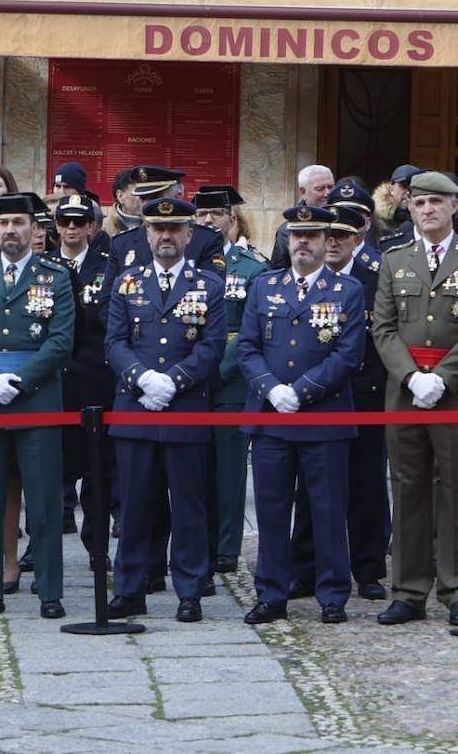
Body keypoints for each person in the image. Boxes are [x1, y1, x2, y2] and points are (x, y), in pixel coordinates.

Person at [238, 205, 365, 626]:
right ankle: (271, 593)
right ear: (287, 240)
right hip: (273, 415)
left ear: (326, 240)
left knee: (327, 509)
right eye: (297, 235)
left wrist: (302, 390)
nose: (304, 243)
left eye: (312, 235)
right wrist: (272, 389)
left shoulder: (347, 290)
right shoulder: (264, 285)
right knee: (272, 511)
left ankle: (332, 594)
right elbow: (247, 347)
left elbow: (349, 354)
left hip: (324, 417)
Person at [0, 193, 74, 620]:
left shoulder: (55, 277)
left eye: (19, 223)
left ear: (35, 230)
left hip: (37, 399)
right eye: (3, 223)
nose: (10, 231)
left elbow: (60, 341)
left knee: (43, 500)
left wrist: (20, 381)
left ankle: (50, 591)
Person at [104, 197, 226, 623]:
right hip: (136, 408)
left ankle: (189, 590)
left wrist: (173, 381)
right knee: (135, 505)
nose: (166, 236)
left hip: (186, 408)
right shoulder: (126, 282)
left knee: (189, 506)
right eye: (158, 229)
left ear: (189, 235)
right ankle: (130, 589)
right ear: (147, 234)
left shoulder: (208, 285)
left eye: (175, 229)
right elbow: (114, 342)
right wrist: (142, 378)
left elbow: (212, 346)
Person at [287, 203, 390, 602]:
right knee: (311, 489)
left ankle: (367, 568)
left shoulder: (375, 278)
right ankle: (305, 568)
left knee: (366, 485)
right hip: (318, 396)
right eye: (326, 236)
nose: (332, 243)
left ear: (356, 240)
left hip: (365, 394)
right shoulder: (308, 279)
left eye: (341, 237)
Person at [371, 171, 458, 627]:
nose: (427, 210)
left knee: (453, 489)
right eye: (420, 202)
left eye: (437, 203)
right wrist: (411, 377)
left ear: (454, 207)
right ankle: (408, 590)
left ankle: (455, 587)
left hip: (454, 393)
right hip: (405, 395)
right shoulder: (394, 260)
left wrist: (441, 377)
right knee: (407, 489)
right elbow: (382, 328)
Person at [193, 186, 267, 576]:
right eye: (200, 214)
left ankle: (225, 548)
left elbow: (253, 333)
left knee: (229, 471)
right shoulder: (190, 264)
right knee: (194, 470)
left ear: (232, 219)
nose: (207, 221)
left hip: (230, 381)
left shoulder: (253, 268)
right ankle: (196, 543)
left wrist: (214, 369)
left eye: (215, 214)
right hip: (191, 382)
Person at [48, 193, 116, 560]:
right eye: (64, 222)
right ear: (55, 226)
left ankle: (97, 545)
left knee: (97, 470)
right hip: (54, 381)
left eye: (79, 222)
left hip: (94, 380)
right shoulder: (43, 268)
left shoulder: (108, 267)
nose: (71, 229)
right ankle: (43, 542)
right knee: (50, 470)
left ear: (92, 226)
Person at [103, 166, 225, 286]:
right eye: (142, 198)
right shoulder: (122, 243)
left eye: (155, 198)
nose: (146, 205)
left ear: (178, 196)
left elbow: (214, 291)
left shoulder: (206, 239)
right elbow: (108, 298)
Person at [269, 165, 335, 269]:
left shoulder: (345, 222)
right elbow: (279, 272)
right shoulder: (287, 230)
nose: (327, 193)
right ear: (303, 192)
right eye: (320, 189)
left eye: (331, 187)